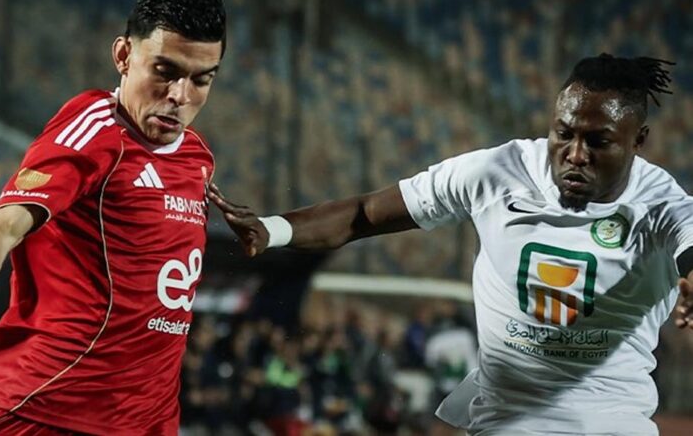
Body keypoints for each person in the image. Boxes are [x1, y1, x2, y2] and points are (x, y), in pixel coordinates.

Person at [209, 54, 693, 435]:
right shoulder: (499, 173)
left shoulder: (662, 205)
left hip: (608, 425)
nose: (575, 154)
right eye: (563, 134)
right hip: (506, 423)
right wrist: (273, 229)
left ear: (639, 140)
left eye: (598, 142)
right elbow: (364, 213)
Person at [0, 0, 225, 435]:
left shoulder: (196, 158)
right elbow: (5, 223)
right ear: (123, 56)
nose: (180, 96)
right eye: (164, 71)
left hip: (144, 421)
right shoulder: (95, 133)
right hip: (45, 402)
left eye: (201, 79)